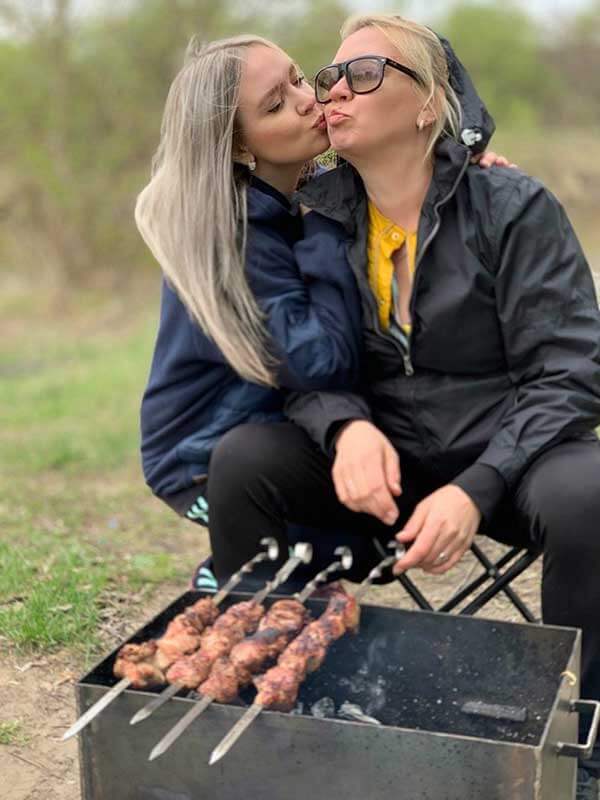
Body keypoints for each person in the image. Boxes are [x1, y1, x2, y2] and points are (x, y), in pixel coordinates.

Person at [202, 15, 600, 794]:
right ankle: (266, 717)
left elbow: (571, 370)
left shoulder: (510, 206)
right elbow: (297, 364)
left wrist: (476, 487)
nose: (333, 91)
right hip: (381, 469)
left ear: (427, 105)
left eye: (364, 73)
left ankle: (585, 749)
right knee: (245, 460)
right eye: (330, 76)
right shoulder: (315, 217)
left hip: (509, 464)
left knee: (591, 493)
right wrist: (344, 425)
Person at [135, 30, 502, 590]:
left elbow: (428, 87)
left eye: (298, 79)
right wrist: (326, 225)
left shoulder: (296, 196)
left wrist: (462, 162)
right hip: (205, 458)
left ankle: (285, 567)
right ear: (239, 148)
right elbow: (322, 361)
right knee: (367, 550)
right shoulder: (236, 234)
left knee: (369, 526)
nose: (309, 100)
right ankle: (235, 581)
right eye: (275, 105)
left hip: (279, 420)